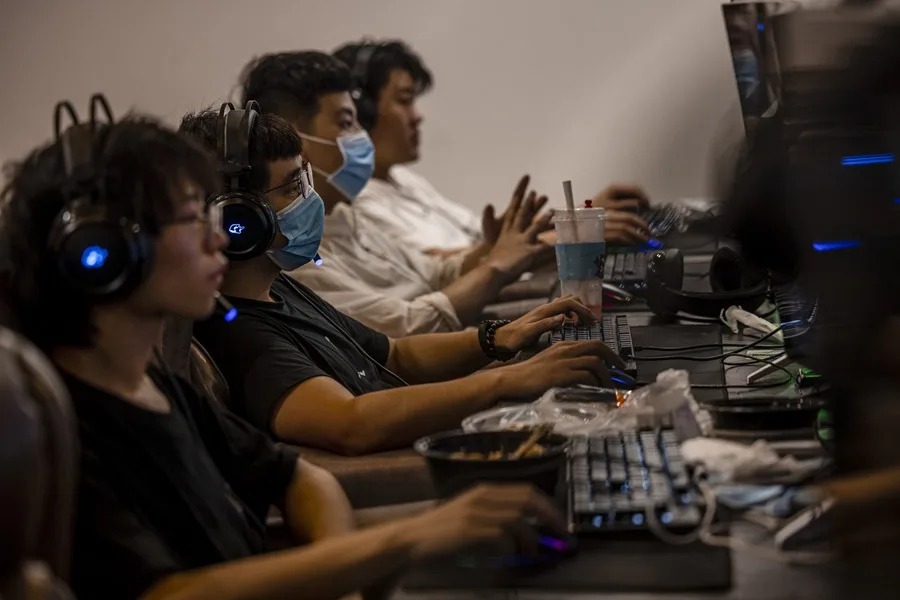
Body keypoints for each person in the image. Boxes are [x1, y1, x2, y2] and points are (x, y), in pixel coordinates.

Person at [0, 101, 570, 600]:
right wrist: (401, 541)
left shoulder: (158, 385)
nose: (217, 237)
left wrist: (343, 577)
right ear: (102, 253)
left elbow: (300, 479)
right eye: (191, 219)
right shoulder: (69, 429)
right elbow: (167, 593)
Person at [183, 106, 622, 456]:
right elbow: (350, 422)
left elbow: (397, 354)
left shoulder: (279, 287)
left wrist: (496, 338)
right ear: (239, 219)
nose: (309, 198)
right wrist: (505, 380)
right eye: (293, 187)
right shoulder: (239, 332)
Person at [239, 50, 555, 336]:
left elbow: (435, 273)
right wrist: (496, 265)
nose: (361, 135)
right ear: (294, 141)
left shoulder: (344, 215)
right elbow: (406, 328)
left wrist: (490, 247)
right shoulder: (294, 255)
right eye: (346, 123)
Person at [332, 39, 656, 255]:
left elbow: (489, 240)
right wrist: (575, 232)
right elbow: (446, 269)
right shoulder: (356, 202)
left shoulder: (403, 180)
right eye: (405, 101)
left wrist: (580, 215)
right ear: (362, 111)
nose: (418, 116)